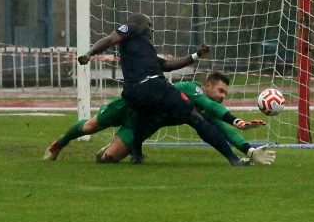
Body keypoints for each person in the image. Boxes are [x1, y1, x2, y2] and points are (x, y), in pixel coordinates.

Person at [75, 13, 252, 165]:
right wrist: (90, 53)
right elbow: (109, 39)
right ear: (138, 25)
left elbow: (167, 65)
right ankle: (233, 159)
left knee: (140, 120)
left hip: (132, 93)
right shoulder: (132, 29)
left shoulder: (143, 52)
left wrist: (195, 55)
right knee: (194, 117)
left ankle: (136, 155)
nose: (152, 29)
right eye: (149, 25)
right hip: (153, 86)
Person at [44, 72, 274, 165]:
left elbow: (219, 129)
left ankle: (111, 147)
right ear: (206, 85)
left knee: (107, 159)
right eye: (221, 91)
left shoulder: (199, 112)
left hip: (141, 122)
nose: (223, 97)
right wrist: (237, 120)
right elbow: (208, 105)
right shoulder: (190, 89)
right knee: (90, 125)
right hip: (127, 106)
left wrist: (248, 150)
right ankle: (60, 143)